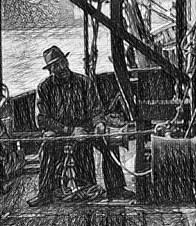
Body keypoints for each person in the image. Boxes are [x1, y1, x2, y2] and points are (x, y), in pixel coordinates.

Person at [28, 46, 133, 206]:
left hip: (86, 129)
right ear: (50, 70)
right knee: (48, 144)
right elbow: (41, 119)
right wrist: (69, 130)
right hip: (60, 131)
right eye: (55, 65)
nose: (61, 67)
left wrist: (99, 123)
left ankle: (116, 188)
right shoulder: (44, 87)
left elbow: (96, 108)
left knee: (109, 142)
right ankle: (45, 193)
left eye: (63, 62)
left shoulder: (84, 82)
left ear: (67, 61)